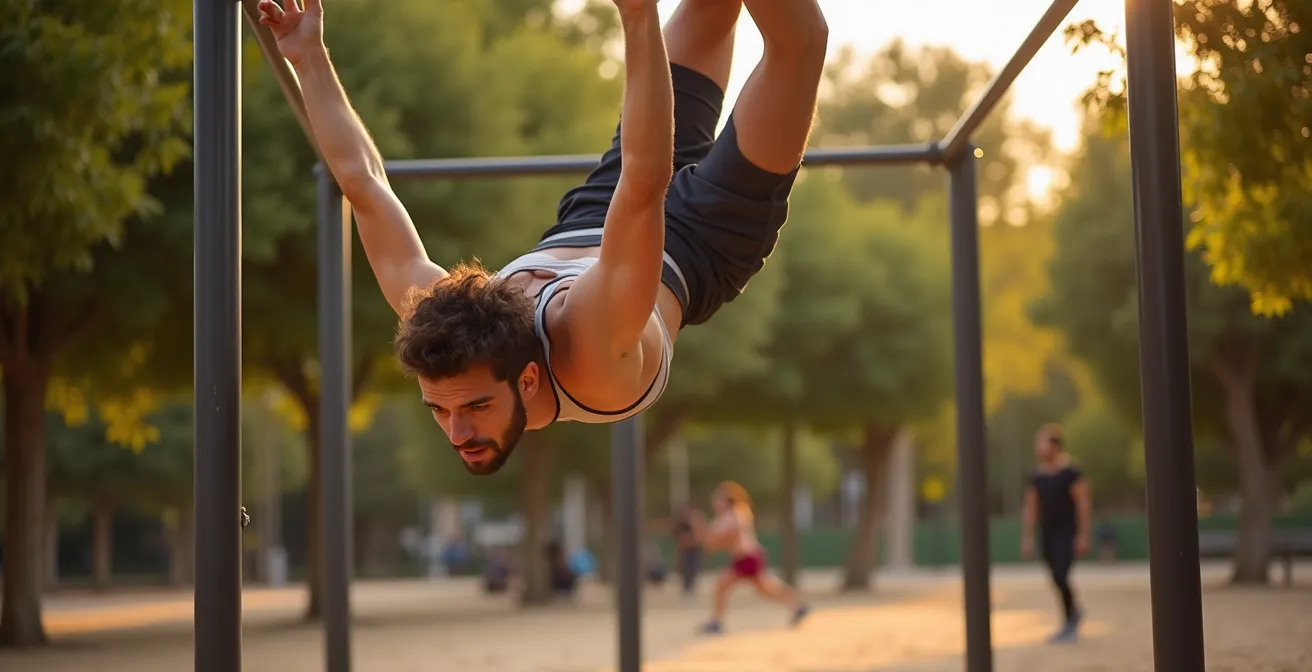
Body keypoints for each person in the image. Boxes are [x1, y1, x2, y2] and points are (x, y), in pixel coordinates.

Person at [256, 0, 829, 476]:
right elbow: (646, 183)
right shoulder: (593, 351)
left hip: (601, 209)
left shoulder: (448, 317)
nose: (457, 431)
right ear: (528, 381)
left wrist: (309, 57)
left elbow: (364, 185)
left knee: (709, 7)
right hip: (701, 240)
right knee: (801, 42)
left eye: (452, 408)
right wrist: (636, 17)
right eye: (468, 408)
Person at [695, 481, 809, 634]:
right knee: (764, 588)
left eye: (718, 499)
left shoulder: (738, 513)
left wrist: (713, 543)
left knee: (722, 586)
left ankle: (716, 622)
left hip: (747, 557)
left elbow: (728, 537)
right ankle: (797, 606)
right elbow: (714, 538)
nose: (715, 503)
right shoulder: (724, 517)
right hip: (743, 558)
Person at [1021, 423, 1093, 643]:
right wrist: (1029, 537)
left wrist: (1083, 535)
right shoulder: (1037, 477)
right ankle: (1072, 617)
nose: (1039, 448)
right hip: (1048, 533)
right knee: (1055, 576)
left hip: (1067, 532)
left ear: (1055, 446)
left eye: (1042, 443)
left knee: (1061, 573)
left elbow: (1083, 504)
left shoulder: (1071, 474)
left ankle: (1071, 618)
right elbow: (1031, 507)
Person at [674, 503, 705, 596]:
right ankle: (686, 587)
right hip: (686, 547)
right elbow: (678, 534)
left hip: (694, 547)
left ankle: (690, 586)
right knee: (686, 567)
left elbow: (699, 532)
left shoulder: (696, 520)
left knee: (694, 567)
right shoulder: (682, 522)